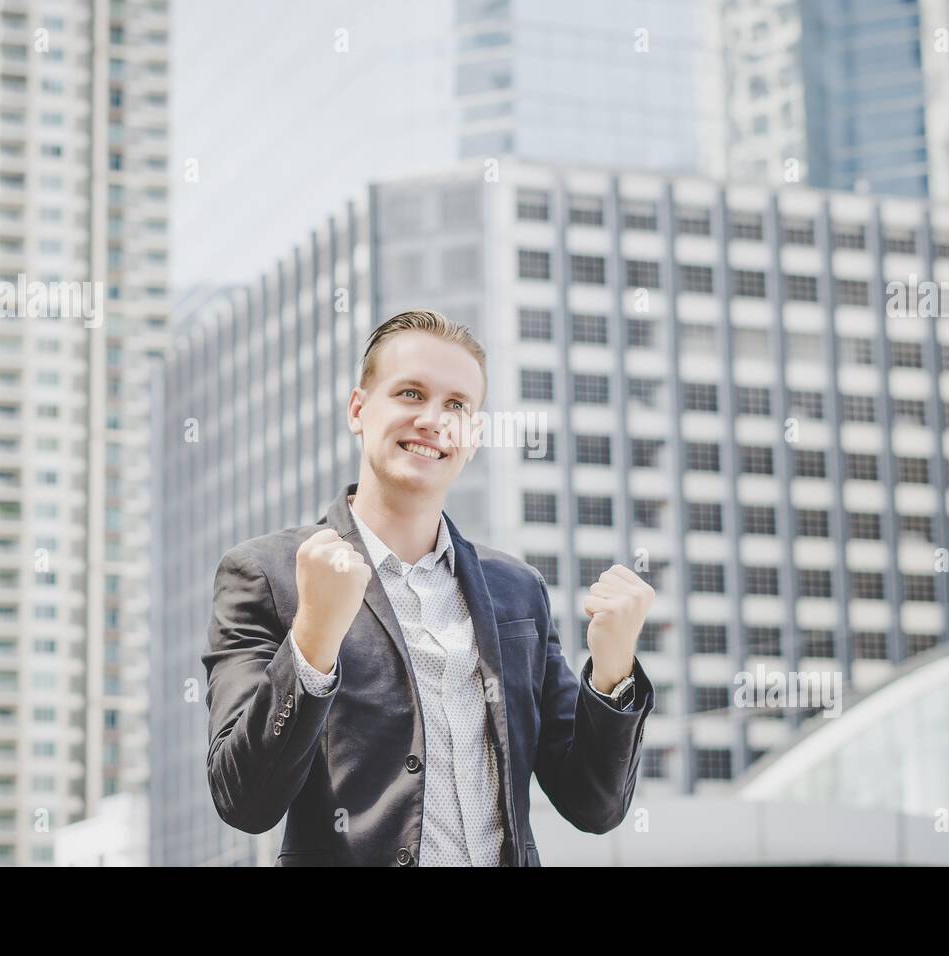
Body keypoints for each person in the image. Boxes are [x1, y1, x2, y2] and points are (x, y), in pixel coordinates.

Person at [202, 310, 656, 866]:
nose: (434, 420)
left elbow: (595, 805)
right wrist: (313, 640)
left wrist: (612, 672)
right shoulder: (267, 573)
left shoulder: (518, 590)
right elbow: (244, 800)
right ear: (358, 409)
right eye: (411, 393)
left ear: (474, 436)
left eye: (457, 406)